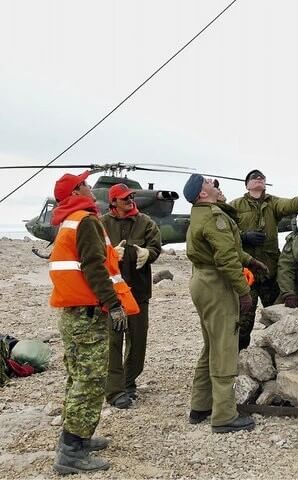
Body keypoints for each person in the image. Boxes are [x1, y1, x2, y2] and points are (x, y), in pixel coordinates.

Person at [49, 170, 139, 474]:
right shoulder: (86, 221)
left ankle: (75, 439)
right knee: (89, 381)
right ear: (76, 193)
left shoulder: (70, 221)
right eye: (85, 184)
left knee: (77, 378)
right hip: (87, 315)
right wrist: (113, 304)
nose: (91, 188)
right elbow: (94, 268)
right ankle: (72, 452)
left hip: (74, 314)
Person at [184, 173, 267, 433]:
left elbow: (228, 249)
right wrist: (243, 292)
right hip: (216, 284)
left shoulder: (201, 214)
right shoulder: (214, 216)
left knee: (211, 344)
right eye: (209, 183)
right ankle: (224, 416)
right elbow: (226, 259)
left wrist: (250, 261)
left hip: (201, 280)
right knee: (224, 346)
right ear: (202, 194)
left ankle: (200, 406)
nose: (214, 185)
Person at [229, 170, 298, 349]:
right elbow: (226, 231)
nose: (259, 179)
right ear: (247, 185)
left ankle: (276, 357)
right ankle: (238, 363)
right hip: (246, 274)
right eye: (254, 177)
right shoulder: (235, 205)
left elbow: (289, 205)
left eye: (261, 177)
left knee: (277, 318)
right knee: (243, 324)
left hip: (269, 272)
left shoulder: (272, 203)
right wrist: (243, 237)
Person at [100, 183, 162, 408]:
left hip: (138, 292)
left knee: (138, 341)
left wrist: (149, 253)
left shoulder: (146, 222)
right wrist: (109, 255)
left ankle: (129, 382)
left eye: (131, 196)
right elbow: (93, 253)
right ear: (113, 201)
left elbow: (156, 247)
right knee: (114, 341)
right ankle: (115, 390)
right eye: (124, 197)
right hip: (113, 294)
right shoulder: (102, 223)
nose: (130, 200)